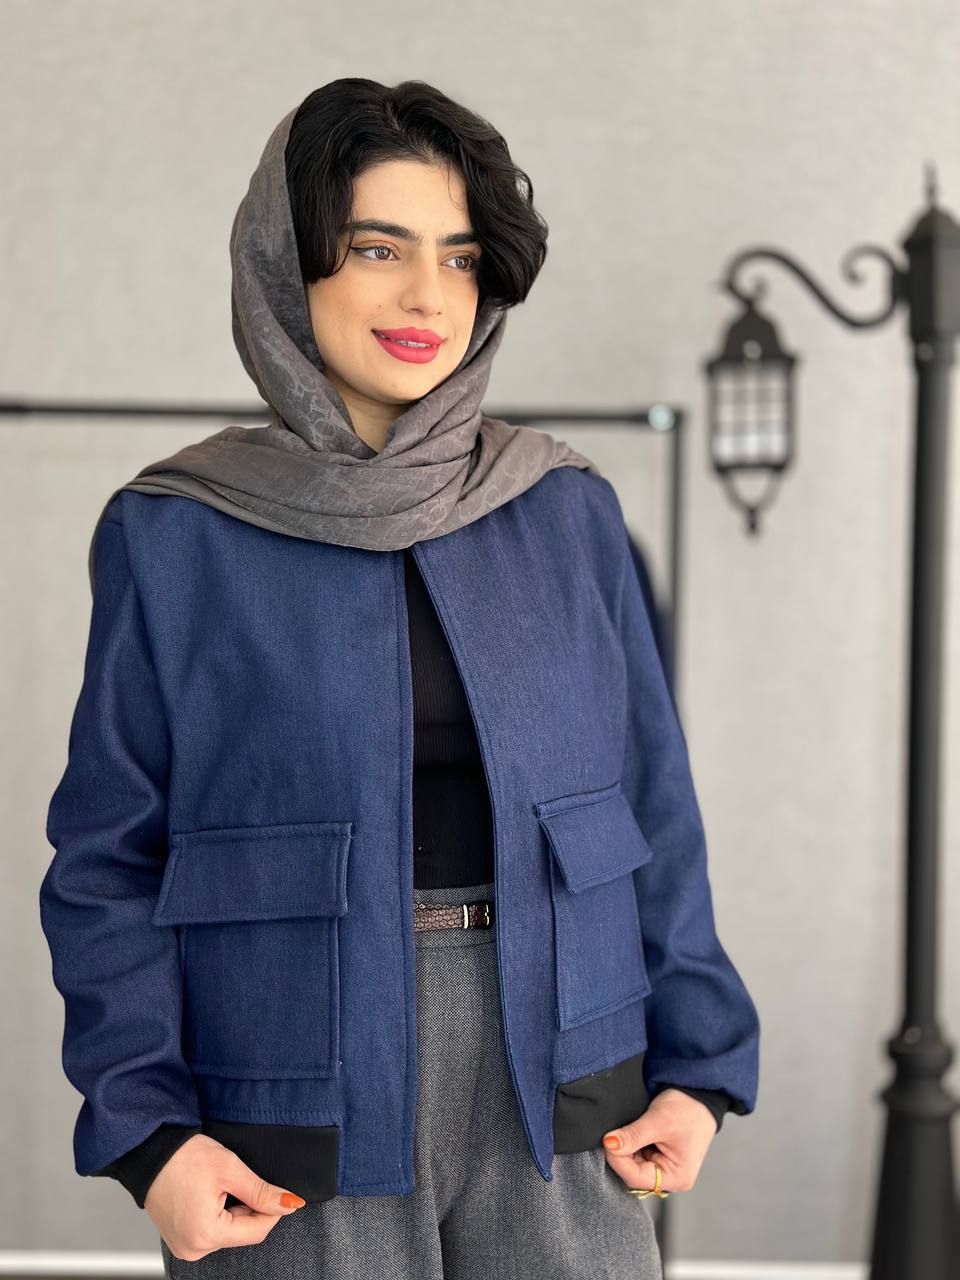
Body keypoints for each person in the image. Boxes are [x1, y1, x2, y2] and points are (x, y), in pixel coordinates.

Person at [39, 78, 760, 1278]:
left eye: (459, 257)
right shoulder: (178, 530)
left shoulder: (566, 511)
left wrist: (700, 1068)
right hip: (287, 1092)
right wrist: (150, 1133)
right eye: (380, 248)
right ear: (289, 262)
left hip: (567, 1077)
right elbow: (107, 856)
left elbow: (654, 806)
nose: (429, 295)